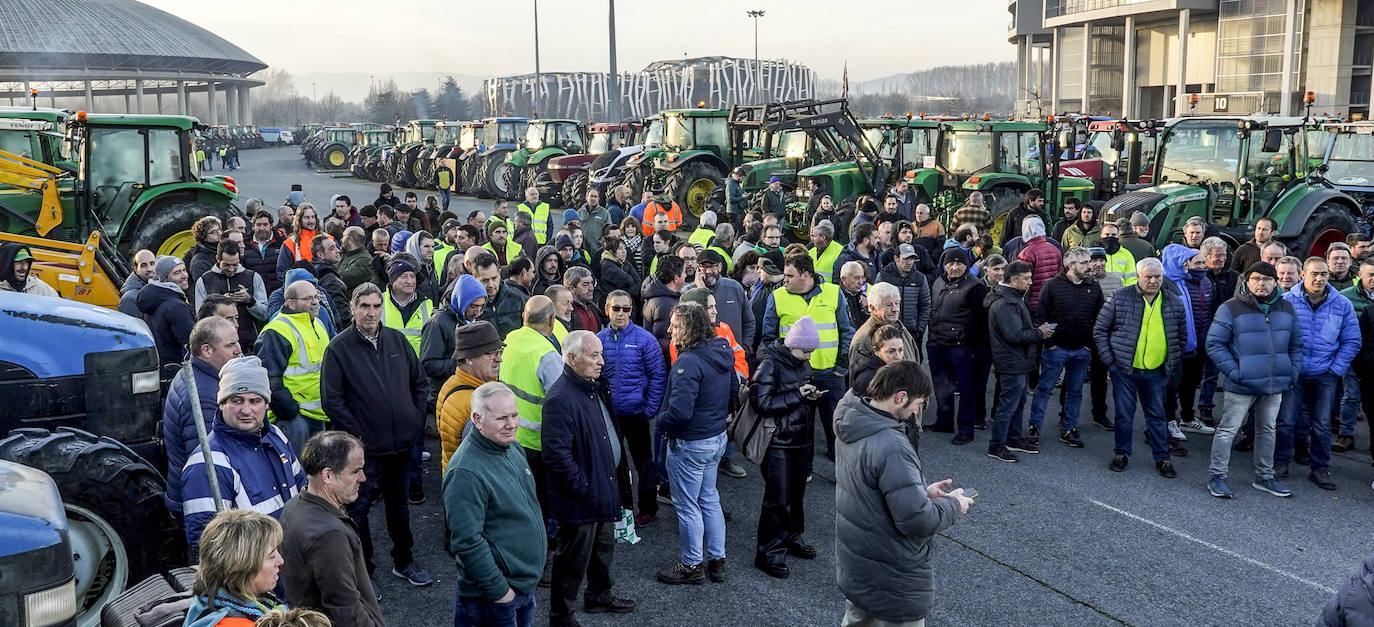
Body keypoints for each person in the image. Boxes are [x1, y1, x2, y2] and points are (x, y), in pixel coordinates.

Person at [834, 361, 973, 627]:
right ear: (901, 397)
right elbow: (917, 521)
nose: (916, 412)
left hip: (858, 566)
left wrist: (920, 491)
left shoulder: (850, 420)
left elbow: (872, 488)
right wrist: (953, 505)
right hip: (892, 577)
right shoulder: (892, 445)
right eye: (918, 404)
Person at [320, 282, 434, 587]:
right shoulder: (339, 348)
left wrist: (413, 419)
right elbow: (332, 401)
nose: (371, 312)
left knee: (399, 506)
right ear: (354, 308)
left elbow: (419, 383)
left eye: (376, 306)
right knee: (358, 510)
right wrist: (359, 436)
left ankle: (404, 561)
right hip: (364, 451)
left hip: (401, 446)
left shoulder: (397, 341)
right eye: (365, 306)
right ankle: (364, 573)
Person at [542, 331, 636, 624]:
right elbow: (557, 456)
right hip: (582, 497)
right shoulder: (560, 398)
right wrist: (583, 486)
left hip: (603, 487)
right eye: (593, 356)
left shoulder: (594, 387)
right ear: (571, 359)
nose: (601, 361)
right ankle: (561, 615)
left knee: (602, 548)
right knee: (572, 559)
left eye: (601, 354)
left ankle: (599, 596)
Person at [181, 356, 305, 559]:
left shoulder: (276, 436)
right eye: (236, 401)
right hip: (255, 583)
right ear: (221, 404)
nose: (246, 410)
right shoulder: (208, 465)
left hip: (292, 568)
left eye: (255, 401)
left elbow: (302, 493)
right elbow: (207, 549)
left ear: (266, 404)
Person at [444, 382, 546, 627]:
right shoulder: (465, 471)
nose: (512, 424)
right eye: (502, 418)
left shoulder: (511, 447)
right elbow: (467, 542)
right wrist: (501, 592)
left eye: (514, 415)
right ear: (477, 419)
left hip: (520, 587)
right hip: (493, 599)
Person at [655, 303, 737, 585]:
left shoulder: (688, 362)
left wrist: (660, 421)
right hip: (715, 439)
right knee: (709, 498)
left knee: (688, 505)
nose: (669, 330)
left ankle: (692, 565)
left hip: (690, 443)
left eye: (675, 325)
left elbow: (679, 412)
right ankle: (717, 560)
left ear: (688, 328)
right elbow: (734, 391)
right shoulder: (722, 350)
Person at [1204, 262, 1301, 499]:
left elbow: (1296, 344)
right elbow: (1214, 344)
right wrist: (1236, 373)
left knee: (1268, 429)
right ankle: (1217, 476)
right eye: (1256, 278)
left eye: (1267, 279)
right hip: (1241, 383)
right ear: (1247, 281)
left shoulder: (1286, 308)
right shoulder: (1230, 308)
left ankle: (1264, 477)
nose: (1261, 283)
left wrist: (1292, 371)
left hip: (1274, 383)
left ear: (1275, 282)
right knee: (1228, 430)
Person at [1094, 257, 1189, 477]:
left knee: (1157, 415)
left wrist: (1171, 362)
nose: (1154, 281)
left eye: (1158, 276)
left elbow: (1181, 336)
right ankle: (1121, 453)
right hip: (1125, 370)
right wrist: (1111, 363)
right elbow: (1100, 330)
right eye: (1149, 276)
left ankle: (1163, 457)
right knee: (1124, 414)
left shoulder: (1174, 301)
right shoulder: (1120, 298)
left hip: (1157, 371)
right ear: (1138, 276)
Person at [279, 431, 385, 623]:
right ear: (328, 475)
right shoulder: (329, 535)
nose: (363, 478)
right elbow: (346, 610)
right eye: (355, 471)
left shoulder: (294, 505)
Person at [1275, 257, 1360, 491]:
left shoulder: (1342, 304)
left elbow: (1352, 341)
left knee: (1322, 424)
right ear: (1303, 275)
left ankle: (1320, 468)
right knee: (1285, 421)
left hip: (1326, 373)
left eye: (1323, 274)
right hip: (1295, 372)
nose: (1319, 278)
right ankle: (1280, 463)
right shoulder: (1286, 301)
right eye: (1314, 274)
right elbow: (1276, 336)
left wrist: (1336, 369)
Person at [762, 253, 855, 460]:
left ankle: (841, 464)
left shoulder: (834, 293)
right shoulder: (777, 296)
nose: (783, 279)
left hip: (829, 372)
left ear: (805, 275)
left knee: (835, 424)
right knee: (801, 427)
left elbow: (847, 330)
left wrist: (842, 364)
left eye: (789, 275)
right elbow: (769, 338)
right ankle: (805, 468)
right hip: (794, 375)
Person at [750, 316, 823, 579]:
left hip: (799, 439)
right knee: (777, 499)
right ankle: (768, 552)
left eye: (811, 352)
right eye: (805, 351)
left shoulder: (799, 363)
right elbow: (761, 403)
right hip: (778, 442)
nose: (808, 356)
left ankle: (792, 537)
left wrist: (809, 395)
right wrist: (799, 396)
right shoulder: (770, 364)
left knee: (795, 496)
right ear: (792, 345)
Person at [597, 290, 666, 528]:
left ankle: (648, 508)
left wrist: (649, 410)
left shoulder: (645, 339)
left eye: (626, 309)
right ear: (607, 309)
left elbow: (658, 376)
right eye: (616, 308)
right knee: (612, 463)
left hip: (636, 414)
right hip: (609, 416)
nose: (621, 314)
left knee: (644, 463)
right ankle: (617, 508)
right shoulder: (599, 340)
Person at [163, 317, 241, 524]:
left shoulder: (195, 376)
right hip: (201, 504)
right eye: (231, 345)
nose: (239, 350)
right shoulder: (205, 397)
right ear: (207, 351)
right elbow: (207, 464)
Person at [1027, 247, 1102, 449]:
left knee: (1075, 391)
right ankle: (1034, 426)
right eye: (1084, 263)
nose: (1090, 266)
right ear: (1071, 265)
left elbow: (1099, 319)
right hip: (1056, 349)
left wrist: (1089, 346)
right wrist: (1049, 344)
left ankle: (1069, 428)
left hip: (1082, 350)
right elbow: (1040, 316)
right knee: (1044, 389)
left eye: (1089, 262)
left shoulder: (1093, 287)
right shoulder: (1051, 286)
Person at [984, 260, 1052, 462]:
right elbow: (1014, 335)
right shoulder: (1005, 302)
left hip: (1018, 360)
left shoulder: (1012, 298)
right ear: (1013, 280)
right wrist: (1040, 332)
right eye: (1027, 278)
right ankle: (996, 445)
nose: (1031, 282)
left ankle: (1013, 439)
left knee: (1018, 402)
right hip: (1011, 361)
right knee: (1008, 404)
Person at [255, 279, 329, 453]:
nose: (315, 302)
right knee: (297, 471)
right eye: (308, 298)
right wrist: (289, 410)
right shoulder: (278, 330)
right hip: (294, 418)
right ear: (291, 303)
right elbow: (269, 376)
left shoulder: (317, 323)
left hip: (317, 413)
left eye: (316, 297)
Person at [183, 509, 287, 626]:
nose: (281, 561)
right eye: (272, 556)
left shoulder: (210, 599)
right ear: (243, 566)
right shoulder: (238, 623)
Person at [928, 248, 990, 443]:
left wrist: (971, 348)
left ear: (966, 265)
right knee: (942, 386)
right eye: (950, 263)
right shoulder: (938, 281)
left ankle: (966, 430)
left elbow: (981, 322)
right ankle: (944, 422)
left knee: (966, 389)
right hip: (937, 342)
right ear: (944, 264)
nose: (954, 267)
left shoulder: (975, 287)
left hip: (961, 346)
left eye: (959, 263)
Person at [436, 321, 505, 468]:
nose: (499, 359)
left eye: (499, 351)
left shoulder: (452, 383)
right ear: (468, 359)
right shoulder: (475, 404)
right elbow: (489, 463)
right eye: (491, 353)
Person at [194, 240, 270, 353]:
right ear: (217, 259)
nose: (231, 269)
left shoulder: (253, 277)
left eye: (235, 265)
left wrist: (249, 300)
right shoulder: (204, 281)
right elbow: (201, 318)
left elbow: (264, 314)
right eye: (226, 265)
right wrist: (219, 304)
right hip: (220, 347)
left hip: (251, 344)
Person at [1336, 255, 1374, 453]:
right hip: (1354, 354)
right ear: (1360, 275)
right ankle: (1345, 434)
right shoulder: (1346, 296)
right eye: (1371, 275)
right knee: (1351, 396)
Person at [139, 255, 196, 370]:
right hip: (178, 370)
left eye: (184, 270)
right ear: (164, 278)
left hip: (162, 368)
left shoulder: (154, 301)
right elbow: (192, 343)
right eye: (177, 273)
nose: (184, 275)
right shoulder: (176, 307)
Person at [695, 248, 754, 357]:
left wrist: (744, 348)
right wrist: (701, 290)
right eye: (704, 267)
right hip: (704, 357)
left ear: (720, 267)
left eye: (712, 266)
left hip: (735, 355)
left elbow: (749, 321)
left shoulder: (735, 287)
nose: (708, 271)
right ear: (698, 269)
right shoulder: (690, 293)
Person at [877, 243, 932, 350]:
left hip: (912, 333)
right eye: (906, 258)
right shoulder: (883, 276)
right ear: (896, 258)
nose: (909, 262)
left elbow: (925, 305)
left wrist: (919, 329)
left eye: (912, 258)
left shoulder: (920, 278)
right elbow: (876, 304)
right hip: (887, 331)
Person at [1016, 216, 1062, 316]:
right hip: (1053, 301)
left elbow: (1021, 281)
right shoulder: (1055, 249)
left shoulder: (1026, 254)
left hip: (1033, 303)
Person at [277, 203, 320, 283]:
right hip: (301, 288)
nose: (311, 221)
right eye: (307, 218)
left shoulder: (327, 238)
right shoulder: (290, 243)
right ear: (299, 219)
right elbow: (282, 272)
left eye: (313, 217)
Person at [185, 216, 224, 288]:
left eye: (219, 229)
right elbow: (205, 287)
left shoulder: (219, 250)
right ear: (204, 237)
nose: (220, 233)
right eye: (213, 232)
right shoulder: (200, 260)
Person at [119, 248, 158, 317]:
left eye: (152, 263)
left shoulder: (157, 286)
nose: (149, 269)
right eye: (143, 265)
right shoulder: (130, 299)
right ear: (135, 269)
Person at [564, 266, 604, 331]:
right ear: (571, 289)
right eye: (585, 285)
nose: (591, 288)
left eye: (592, 283)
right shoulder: (566, 312)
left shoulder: (594, 308)